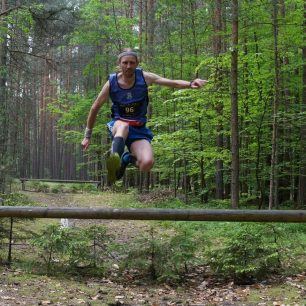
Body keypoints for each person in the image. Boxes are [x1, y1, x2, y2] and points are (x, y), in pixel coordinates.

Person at [81, 49, 207, 184]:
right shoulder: (111, 83)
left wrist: (190, 83)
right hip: (118, 125)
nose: (128, 66)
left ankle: (127, 159)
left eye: (132, 63)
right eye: (125, 63)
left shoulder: (145, 77)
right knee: (123, 126)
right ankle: (114, 164)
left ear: (137, 64)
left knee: (147, 163)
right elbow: (95, 107)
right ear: (119, 64)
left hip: (138, 129)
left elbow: (172, 83)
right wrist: (87, 136)